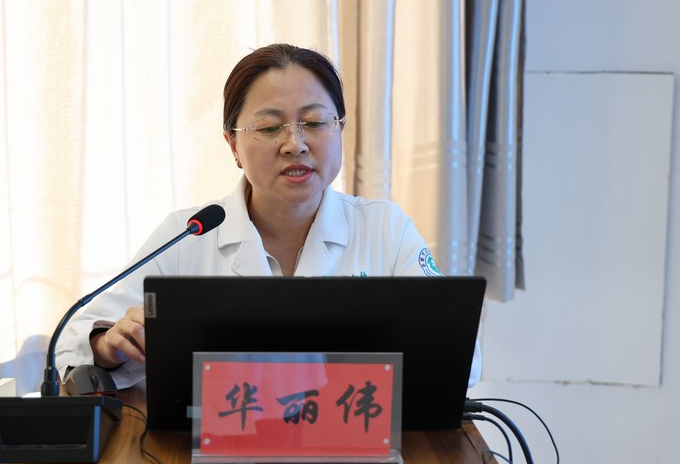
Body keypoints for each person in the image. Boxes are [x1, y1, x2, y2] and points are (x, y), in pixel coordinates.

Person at [54, 43, 480, 388]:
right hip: (215, 449)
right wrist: (107, 345)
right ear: (233, 145)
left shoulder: (385, 228)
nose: (295, 144)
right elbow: (73, 341)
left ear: (340, 129)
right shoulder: (189, 234)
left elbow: (461, 356)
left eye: (314, 122)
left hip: (355, 444)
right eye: (270, 127)